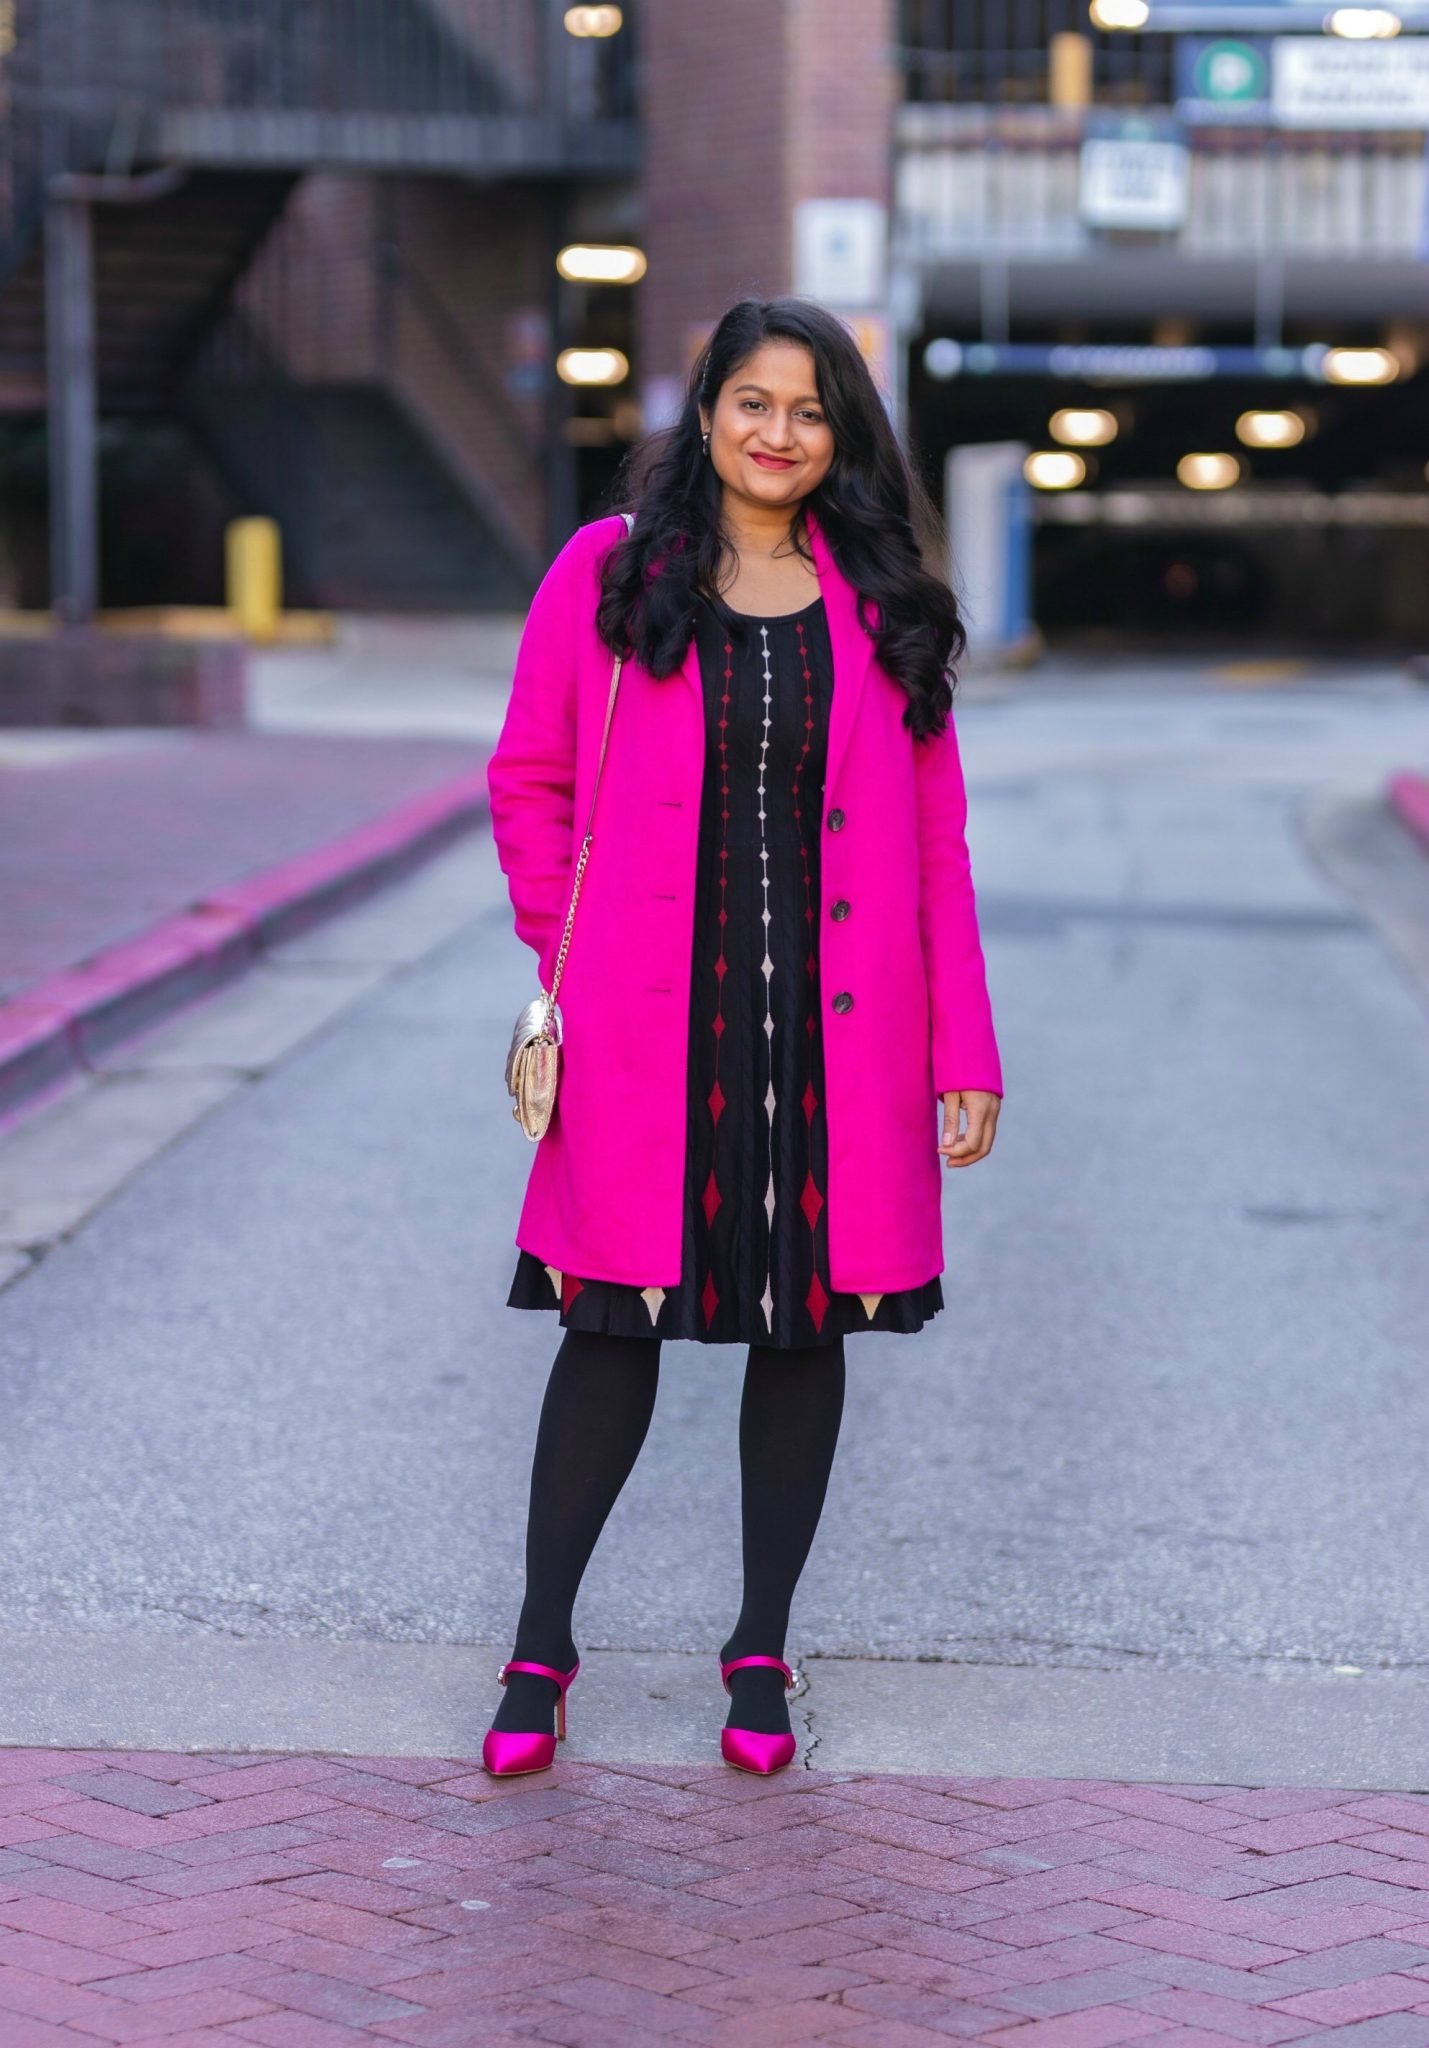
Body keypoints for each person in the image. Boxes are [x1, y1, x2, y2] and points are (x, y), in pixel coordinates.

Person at [483, 295, 1003, 1777]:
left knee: (803, 1331)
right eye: (752, 402)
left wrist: (961, 1050)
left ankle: (760, 1647)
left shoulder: (883, 601)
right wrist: (561, 945)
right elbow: (529, 780)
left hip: (832, 1041)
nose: (777, 433)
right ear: (705, 409)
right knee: (609, 1323)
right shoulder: (611, 573)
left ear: (842, 435)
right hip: (649, 1029)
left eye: (810, 410)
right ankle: (539, 1647)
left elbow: (935, 845)